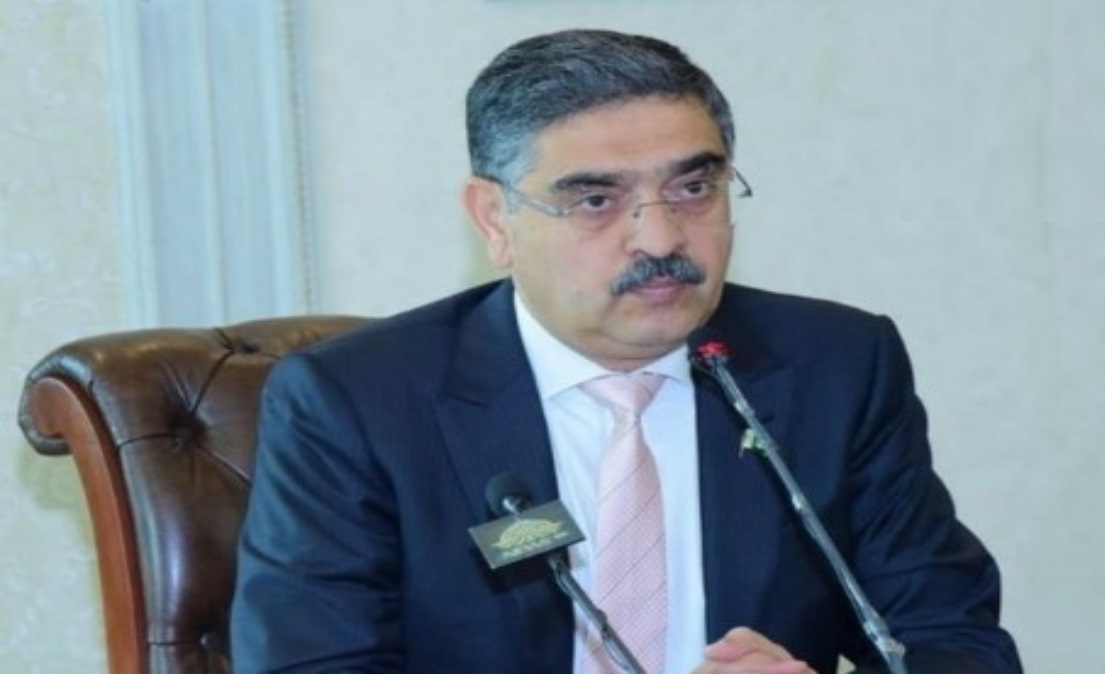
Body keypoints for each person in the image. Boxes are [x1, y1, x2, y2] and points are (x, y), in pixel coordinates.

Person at [231, 28, 1022, 674]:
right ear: (495, 219)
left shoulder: (835, 366)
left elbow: (955, 639)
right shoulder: (357, 401)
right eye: (595, 199)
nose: (661, 237)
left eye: (693, 188)